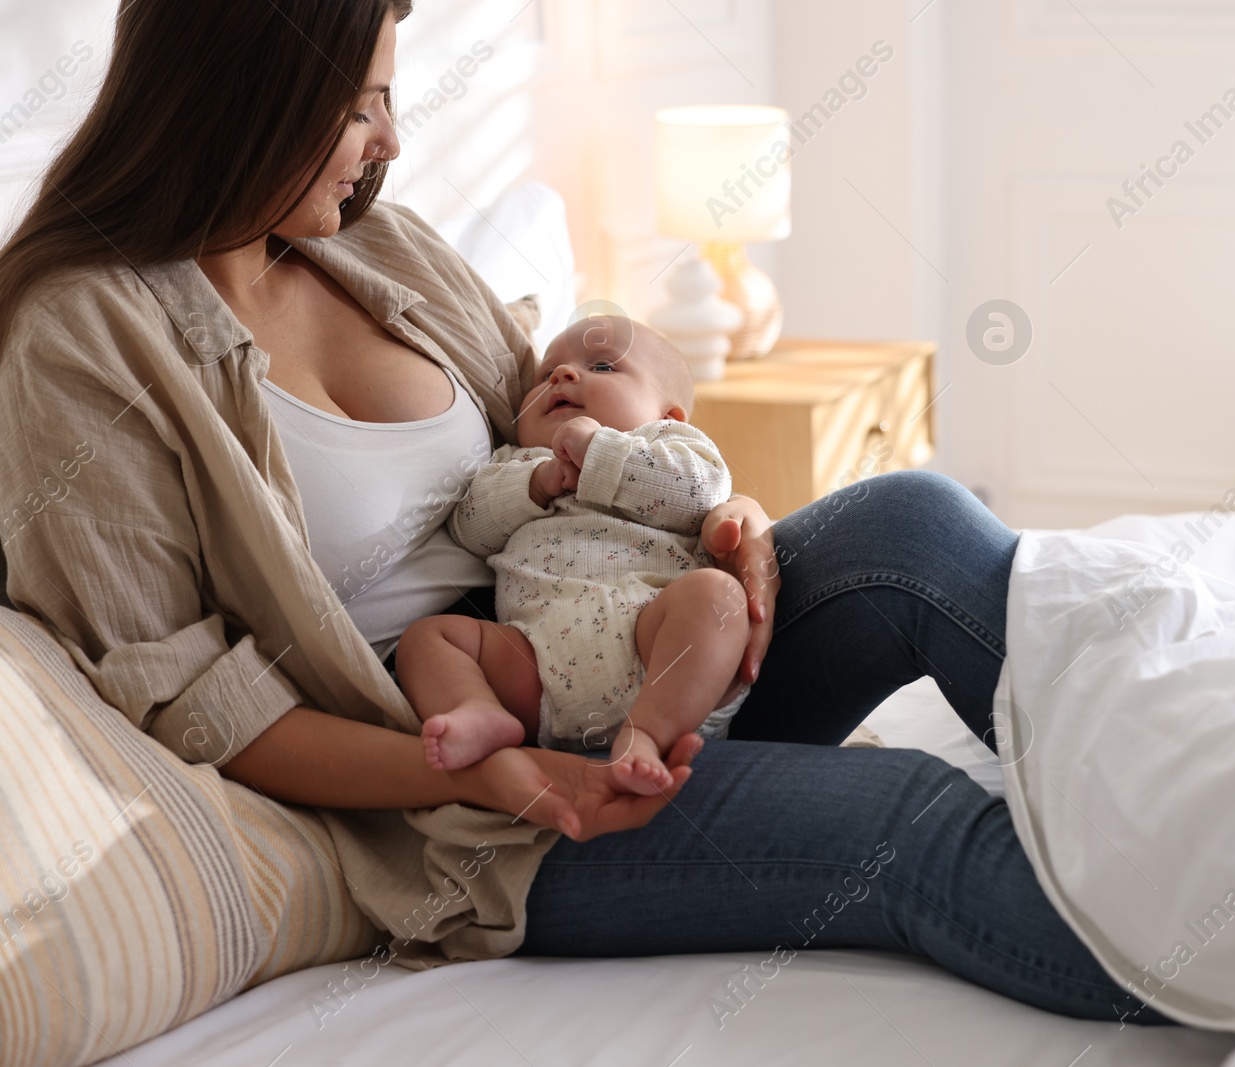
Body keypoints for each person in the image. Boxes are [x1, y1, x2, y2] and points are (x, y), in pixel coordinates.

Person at [0, 0, 1165, 1025]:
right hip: (490, 796)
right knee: (911, 823)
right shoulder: (82, 338)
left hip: (639, 643)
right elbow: (198, 705)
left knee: (914, 521)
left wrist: (728, 517)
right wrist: (475, 775)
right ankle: (1227, 944)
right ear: (243, 95)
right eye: (356, 110)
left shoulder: (376, 245)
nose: (390, 144)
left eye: (389, 102)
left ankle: (1188, 785)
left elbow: (573, 442)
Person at [399, 316, 752, 792]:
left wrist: (600, 452)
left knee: (718, 596)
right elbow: (471, 530)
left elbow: (699, 494)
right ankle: (478, 711)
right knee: (427, 639)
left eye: (603, 366)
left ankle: (645, 735)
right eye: (546, 374)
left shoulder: (668, 446)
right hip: (538, 665)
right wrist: (536, 484)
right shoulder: (516, 463)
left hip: (656, 644)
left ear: (666, 416)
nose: (562, 376)